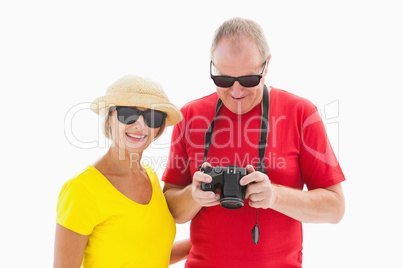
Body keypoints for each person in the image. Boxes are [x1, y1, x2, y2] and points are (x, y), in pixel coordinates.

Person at [162, 17, 346, 267]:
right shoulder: (190, 116)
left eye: (248, 80)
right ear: (212, 67)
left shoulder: (301, 112)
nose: (236, 92)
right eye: (224, 81)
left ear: (267, 65)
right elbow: (172, 212)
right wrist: (194, 196)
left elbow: (335, 209)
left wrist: (275, 197)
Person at [54, 75, 191, 267]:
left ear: (158, 128)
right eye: (128, 114)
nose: (140, 125)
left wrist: (205, 239)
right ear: (109, 119)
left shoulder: (150, 176)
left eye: (152, 117)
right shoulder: (81, 189)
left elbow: (148, 255)